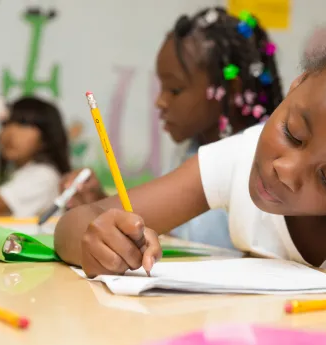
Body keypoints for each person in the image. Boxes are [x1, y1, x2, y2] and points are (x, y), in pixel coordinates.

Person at [54, 2, 326, 291]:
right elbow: (79, 222)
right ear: (294, 87)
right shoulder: (240, 158)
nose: (285, 169)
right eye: (294, 133)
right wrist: (97, 240)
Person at [61, 7, 283, 249]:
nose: (160, 102)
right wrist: (102, 207)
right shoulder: (189, 150)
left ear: (230, 90)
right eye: (162, 87)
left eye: (175, 90)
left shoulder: (255, 160)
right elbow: (164, 231)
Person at [0, 97, 71, 217]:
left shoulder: (44, 175)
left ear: (47, 137)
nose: (10, 132)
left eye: (23, 124)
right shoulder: (23, 172)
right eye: (5, 124)